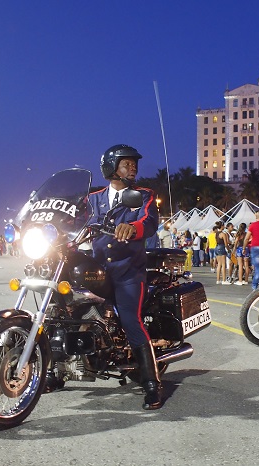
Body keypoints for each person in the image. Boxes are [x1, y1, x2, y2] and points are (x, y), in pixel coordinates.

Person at [87, 144, 161, 410]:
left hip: (128, 269)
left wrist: (131, 227)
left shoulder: (142, 195)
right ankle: (51, 371)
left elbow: (149, 220)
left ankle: (151, 384)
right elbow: (75, 221)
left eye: (134, 164)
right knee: (65, 307)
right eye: (126, 163)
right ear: (111, 167)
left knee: (131, 319)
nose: (133, 167)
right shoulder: (93, 198)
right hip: (97, 269)